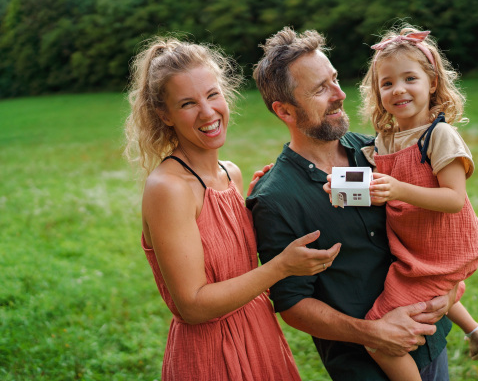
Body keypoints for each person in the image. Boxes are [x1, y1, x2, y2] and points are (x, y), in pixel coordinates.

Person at [123, 36, 340, 381]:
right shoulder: (169, 188)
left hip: (259, 336)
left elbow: (230, 260)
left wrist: (254, 208)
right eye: (187, 104)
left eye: (212, 95)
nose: (208, 112)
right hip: (211, 353)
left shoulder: (230, 173)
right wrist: (282, 267)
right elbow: (192, 305)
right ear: (164, 115)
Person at [247, 27, 456, 381]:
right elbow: (293, 304)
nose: (340, 94)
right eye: (320, 89)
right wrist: (374, 333)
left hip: (430, 338)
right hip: (366, 367)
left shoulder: (380, 151)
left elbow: (435, 223)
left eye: (335, 79)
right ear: (285, 111)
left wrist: (446, 295)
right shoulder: (274, 198)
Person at [340, 24, 478, 380]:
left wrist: (398, 189)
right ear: (377, 92)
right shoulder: (385, 140)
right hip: (415, 249)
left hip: (441, 251)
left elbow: (455, 199)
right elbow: (370, 182)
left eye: (410, 78)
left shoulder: (439, 135)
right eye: (387, 82)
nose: (398, 89)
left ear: (432, 83)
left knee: (379, 335)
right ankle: (476, 332)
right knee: (434, 299)